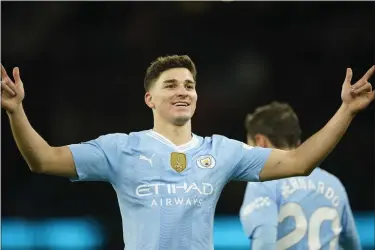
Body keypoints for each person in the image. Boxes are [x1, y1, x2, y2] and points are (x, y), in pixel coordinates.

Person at [1, 55, 373, 250]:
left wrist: (346, 111)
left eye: (190, 85)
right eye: (171, 85)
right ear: (150, 98)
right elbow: (43, 159)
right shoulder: (120, 148)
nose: (183, 91)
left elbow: (299, 161)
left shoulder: (222, 152)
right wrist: (16, 111)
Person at [239, 101, 362, 250]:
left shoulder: (263, 184)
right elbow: (352, 245)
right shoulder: (334, 184)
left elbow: (264, 242)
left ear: (260, 142)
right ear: (298, 142)